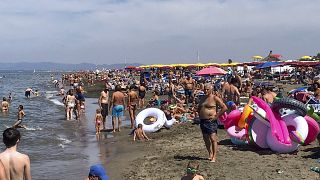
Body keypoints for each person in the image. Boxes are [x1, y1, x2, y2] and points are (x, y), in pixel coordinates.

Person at [198, 84, 227, 162]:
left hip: (211, 121)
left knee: (213, 138)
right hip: (203, 120)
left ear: (211, 89)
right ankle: (210, 153)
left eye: (207, 89)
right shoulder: (202, 98)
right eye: (204, 89)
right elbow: (199, 107)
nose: (205, 91)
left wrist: (216, 116)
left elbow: (224, 107)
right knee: (205, 138)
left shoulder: (215, 98)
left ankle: (214, 156)